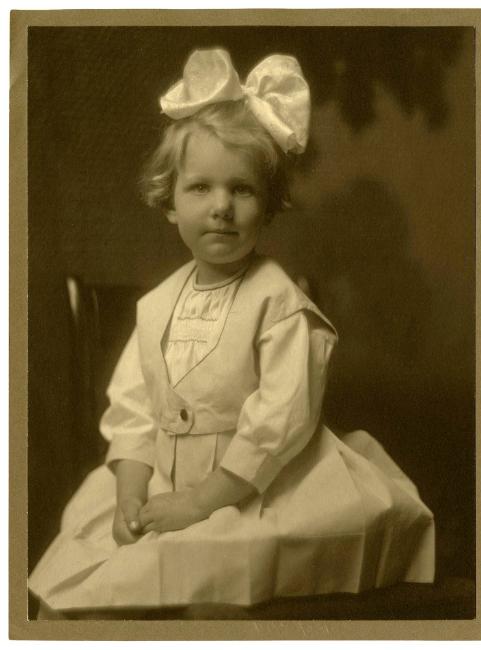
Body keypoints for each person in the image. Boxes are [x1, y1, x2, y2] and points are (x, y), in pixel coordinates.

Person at [29, 49, 435, 618]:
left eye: (241, 190)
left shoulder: (280, 303)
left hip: (250, 489)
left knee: (217, 580)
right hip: (162, 482)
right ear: (169, 203)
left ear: (268, 206)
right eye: (200, 188)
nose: (221, 207)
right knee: (84, 577)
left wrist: (201, 500)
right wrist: (130, 494)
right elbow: (134, 410)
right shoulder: (156, 308)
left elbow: (281, 420)